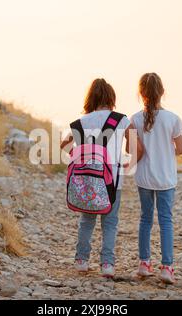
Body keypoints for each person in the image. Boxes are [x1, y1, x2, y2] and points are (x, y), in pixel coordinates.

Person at [60, 78, 131, 278]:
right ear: (111, 97)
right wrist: (128, 162)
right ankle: (107, 264)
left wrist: (80, 155)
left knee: (86, 220)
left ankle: (81, 260)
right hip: (113, 181)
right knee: (110, 223)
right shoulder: (121, 120)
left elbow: (63, 146)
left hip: (85, 181)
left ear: (90, 98)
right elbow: (133, 146)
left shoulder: (80, 122)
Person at [129, 73, 182, 284]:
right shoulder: (173, 119)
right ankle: (167, 268)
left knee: (145, 219)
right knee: (165, 221)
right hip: (166, 179)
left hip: (144, 177)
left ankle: (144, 264)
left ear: (141, 93)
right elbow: (180, 150)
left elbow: (134, 150)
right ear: (162, 92)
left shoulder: (134, 119)